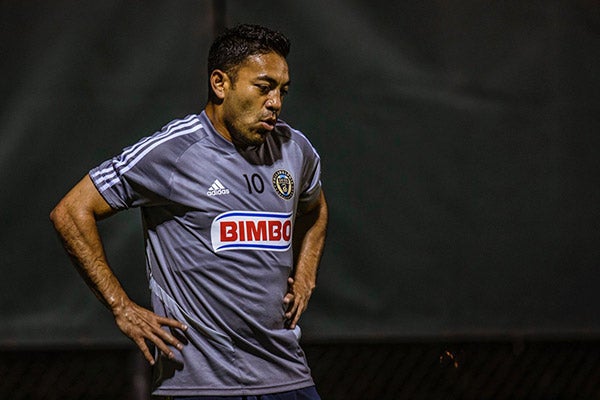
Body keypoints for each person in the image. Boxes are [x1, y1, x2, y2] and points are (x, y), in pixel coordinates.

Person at [50, 24, 328, 399]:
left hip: (288, 376)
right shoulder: (174, 151)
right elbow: (71, 211)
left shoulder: (295, 150)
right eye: (264, 87)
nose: (276, 101)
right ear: (220, 83)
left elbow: (316, 208)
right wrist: (122, 308)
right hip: (200, 386)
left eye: (282, 90)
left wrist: (307, 271)